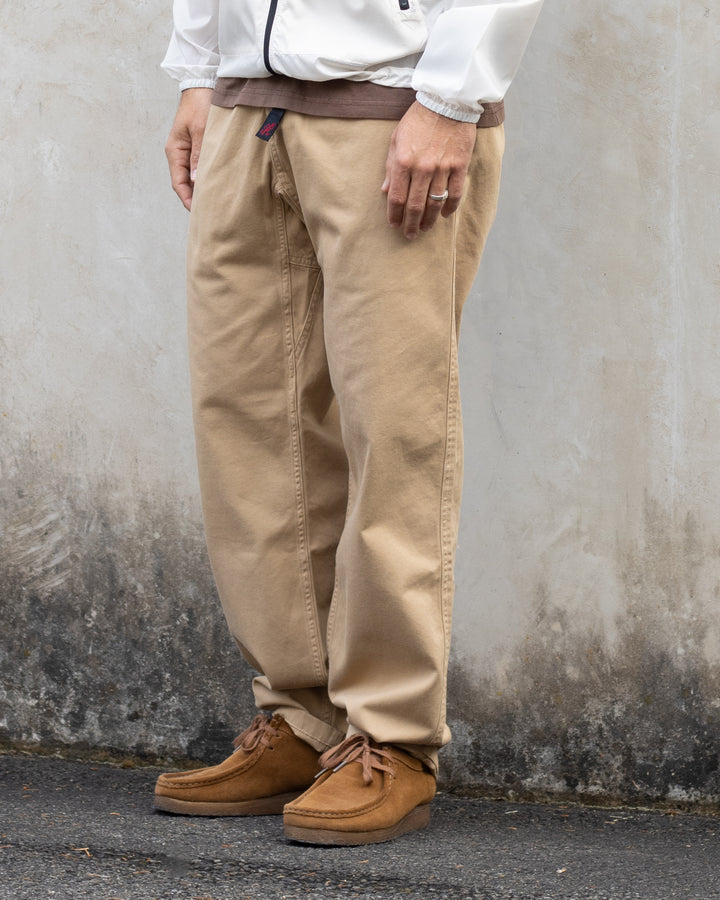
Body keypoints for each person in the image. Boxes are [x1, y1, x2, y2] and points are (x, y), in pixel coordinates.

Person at [154, 0, 543, 846]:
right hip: (249, 105)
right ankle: (302, 720)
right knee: (247, 423)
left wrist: (450, 97)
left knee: (394, 428)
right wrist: (199, 70)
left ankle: (392, 738)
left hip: (392, 102)